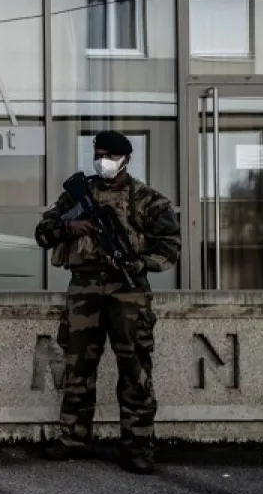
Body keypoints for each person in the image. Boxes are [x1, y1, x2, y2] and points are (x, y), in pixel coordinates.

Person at [34, 131, 181, 475]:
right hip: (84, 291)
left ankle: (138, 446)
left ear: (126, 159)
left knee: (135, 372)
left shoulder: (149, 200)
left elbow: (170, 249)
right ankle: (73, 439)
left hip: (128, 294)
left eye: (111, 156)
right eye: (99, 154)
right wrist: (73, 227)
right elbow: (43, 233)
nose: (104, 162)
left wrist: (139, 262)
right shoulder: (77, 195)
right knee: (78, 368)